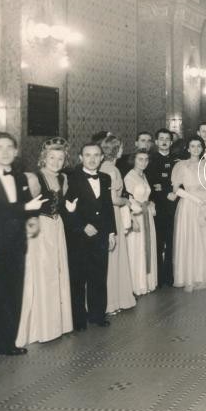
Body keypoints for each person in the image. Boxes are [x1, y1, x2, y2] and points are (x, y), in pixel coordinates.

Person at [0, 132, 46, 364]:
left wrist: (32, 219)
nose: (5, 152)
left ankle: (7, 343)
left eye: (9, 147)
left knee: (12, 297)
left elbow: (28, 208)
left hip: (16, 247)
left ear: (16, 151)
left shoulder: (21, 178)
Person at [16, 138, 74, 347]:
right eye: (52, 158)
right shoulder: (34, 177)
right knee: (42, 275)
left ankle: (56, 325)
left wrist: (68, 209)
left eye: (60, 159)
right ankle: (40, 328)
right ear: (44, 158)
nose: (56, 162)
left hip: (57, 228)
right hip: (40, 229)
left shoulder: (64, 178)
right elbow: (23, 206)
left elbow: (61, 204)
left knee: (57, 273)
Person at [65, 142, 118, 329]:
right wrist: (81, 226)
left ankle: (97, 315)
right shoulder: (70, 178)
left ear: (102, 158)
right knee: (78, 279)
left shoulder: (105, 178)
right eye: (88, 155)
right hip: (78, 237)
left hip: (101, 235)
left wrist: (111, 232)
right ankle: (78, 319)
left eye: (96, 155)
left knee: (99, 277)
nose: (92, 159)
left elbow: (108, 207)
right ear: (80, 157)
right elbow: (66, 208)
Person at [171, 135, 206, 291]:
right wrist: (195, 200)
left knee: (205, 239)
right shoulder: (181, 165)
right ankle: (190, 275)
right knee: (191, 239)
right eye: (193, 146)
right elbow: (176, 189)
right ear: (188, 148)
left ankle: (203, 274)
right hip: (189, 205)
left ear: (202, 148)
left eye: (199, 146)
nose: (196, 149)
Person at [99, 135, 137, 316]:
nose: (122, 150)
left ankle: (111, 300)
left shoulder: (103, 167)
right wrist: (127, 202)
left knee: (111, 256)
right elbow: (113, 199)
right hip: (112, 213)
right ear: (116, 149)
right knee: (114, 256)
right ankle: (112, 301)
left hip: (108, 213)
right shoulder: (112, 169)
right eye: (120, 147)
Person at [146, 128, 178, 288]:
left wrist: (163, 187)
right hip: (157, 207)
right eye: (161, 139)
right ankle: (158, 278)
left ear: (171, 142)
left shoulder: (176, 160)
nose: (164, 142)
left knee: (172, 242)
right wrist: (165, 189)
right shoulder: (150, 160)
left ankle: (169, 277)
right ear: (156, 141)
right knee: (158, 243)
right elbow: (151, 184)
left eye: (167, 139)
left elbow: (178, 183)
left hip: (174, 206)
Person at [124, 149, 158, 296]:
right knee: (137, 248)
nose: (143, 162)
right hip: (137, 215)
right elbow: (129, 199)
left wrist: (150, 204)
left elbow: (145, 196)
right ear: (134, 160)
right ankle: (136, 284)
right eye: (140, 159)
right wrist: (133, 217)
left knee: (146, 247)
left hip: (146, 214)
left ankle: (146, 282)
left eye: (146, 159)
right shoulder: (129, 177)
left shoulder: (143, 175)